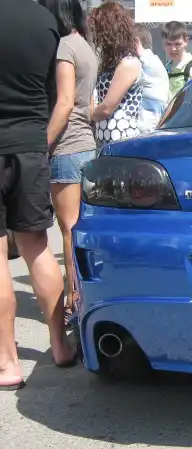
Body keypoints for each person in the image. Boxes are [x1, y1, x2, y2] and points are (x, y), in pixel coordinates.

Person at [0, 0, 78, 391]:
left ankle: (7, 362)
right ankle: (60, 346)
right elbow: (56, 91)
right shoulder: (45, 21)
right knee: (37, 246)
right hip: (32, 146)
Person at [40, 0, 98, 327]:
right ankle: (83, 297)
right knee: (80, 227)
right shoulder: (86, 47)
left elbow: (64, 103)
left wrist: (42, 145)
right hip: (86, 144)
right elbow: (88, 104)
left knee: (69, 230)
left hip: (66, 147)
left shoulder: (64, 47)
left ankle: (73, 302)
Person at [88, 1, 144, 149]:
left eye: (99, 30)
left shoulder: (128, 63)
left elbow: (107, 108)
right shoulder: (112, 63)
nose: (96, 37)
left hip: (123, 142)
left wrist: (88, 113)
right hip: (106, 140)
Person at [133, 24, 169, 134]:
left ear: (136, 43)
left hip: (148, 127)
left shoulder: (145, 61)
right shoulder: (152, 61)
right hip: (150, 124)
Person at [162, 21, 192, 100]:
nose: (173, 49)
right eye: (168, 44)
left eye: (177, 44)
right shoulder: (165, 68)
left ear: (186, 41)